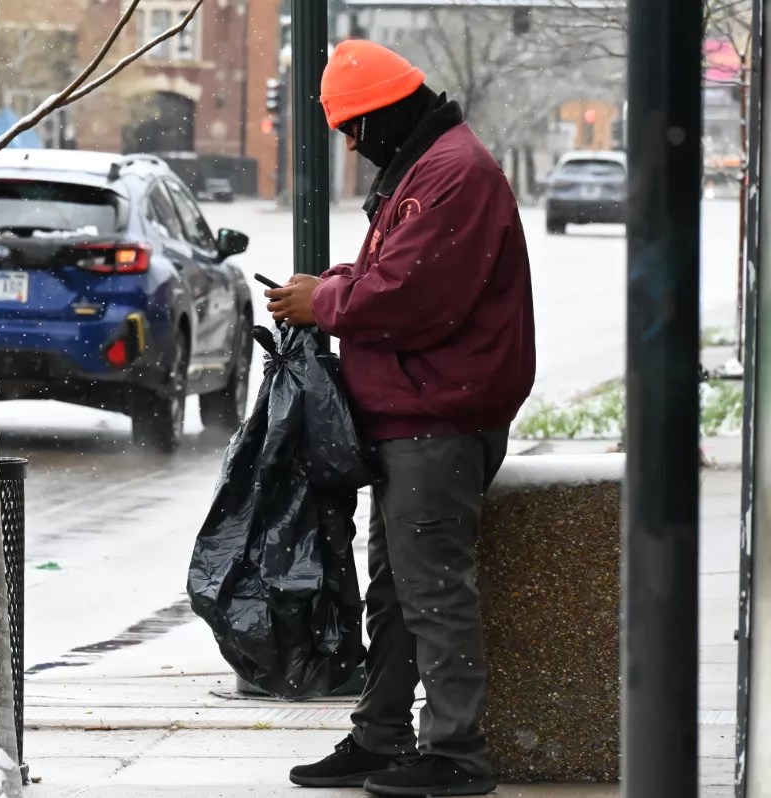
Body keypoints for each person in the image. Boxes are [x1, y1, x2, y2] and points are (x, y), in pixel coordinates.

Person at [266, 41, 536, 798]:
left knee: (433, 592)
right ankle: (381, 736)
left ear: (384, 114)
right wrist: (334, 284)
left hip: (437, 413)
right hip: (414, 412)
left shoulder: (451, 173)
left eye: (353, 127)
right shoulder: (431, 165)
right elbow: (395, 274)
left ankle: (456, 753)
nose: (350, 145)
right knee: (396, 593)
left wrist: (324, 300)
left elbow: (413, 295)